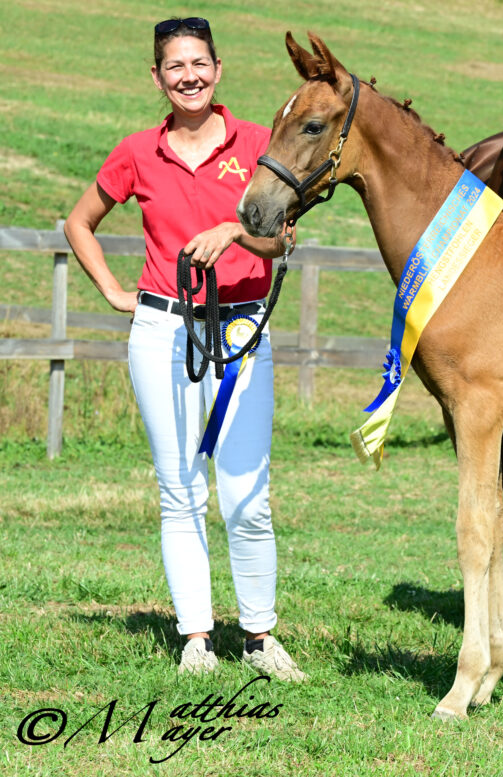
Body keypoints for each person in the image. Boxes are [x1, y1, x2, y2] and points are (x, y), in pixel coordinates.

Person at [63, 17, 304, 681]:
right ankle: (195, 635)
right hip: (163, 332)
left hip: (241, 331)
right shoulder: (138, 151)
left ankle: (259, 636)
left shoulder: (257, 143)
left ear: (218, 70)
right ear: (158, 77)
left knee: (246, 494)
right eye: (176, 66)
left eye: (199, 62)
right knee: (179, 488)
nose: (189, 75)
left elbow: (282, 240)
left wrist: (234, 229)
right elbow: (79, 222)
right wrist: (116, 292)